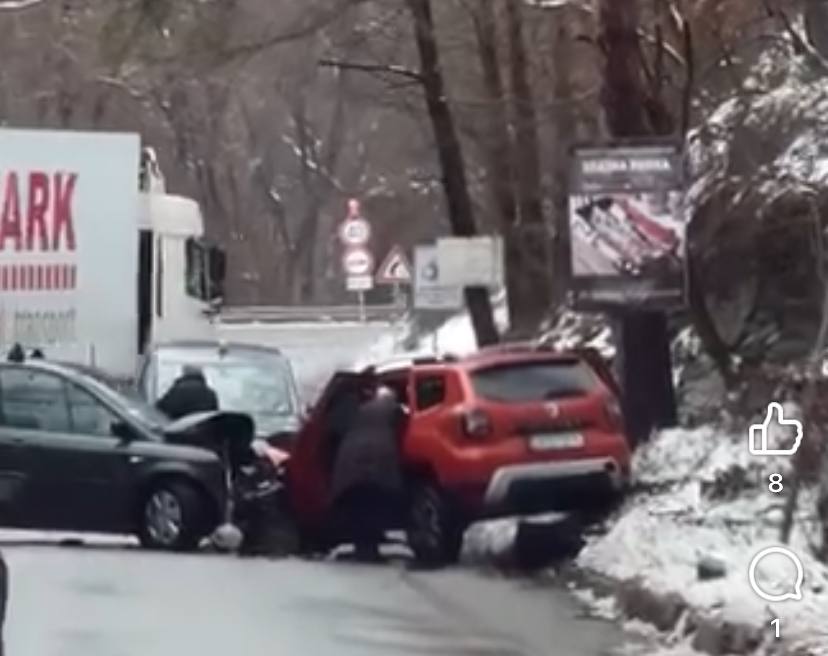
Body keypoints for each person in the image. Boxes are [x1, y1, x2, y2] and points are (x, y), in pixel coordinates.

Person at [329, 383, 407, 563]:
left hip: (349, 459)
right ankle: (369, 549)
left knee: (358, 504)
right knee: (374, 504)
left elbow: (335, 427)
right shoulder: (395, 411)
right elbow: (405, 429)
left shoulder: (359, 410)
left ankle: (363, 546)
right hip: (379, 460)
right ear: (392, 399)